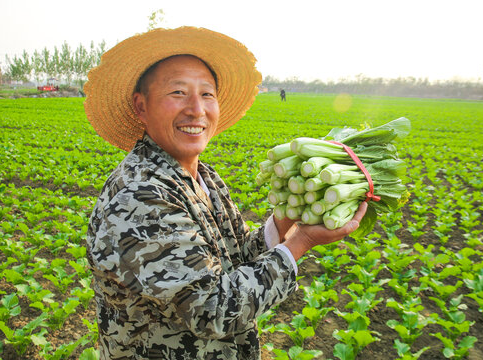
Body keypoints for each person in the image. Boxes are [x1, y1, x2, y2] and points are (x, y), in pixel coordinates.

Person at [84, 26, 367, 360]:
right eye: (178, 92)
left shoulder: (202, 176)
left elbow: (234, 258)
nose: (196, 109)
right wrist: (300, 243)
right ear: (141, 107)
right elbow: (213, 308)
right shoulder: (141, 195)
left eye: (207, 94)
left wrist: (284, 222)